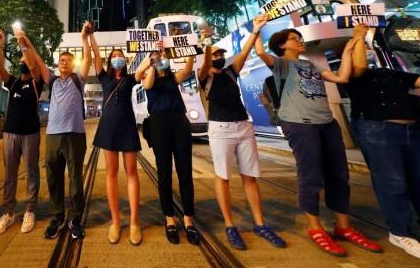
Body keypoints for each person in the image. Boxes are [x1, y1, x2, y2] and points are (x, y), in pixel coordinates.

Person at [254, 18, 381, 256]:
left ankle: (343, 226)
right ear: (282, 46)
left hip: (327, 123)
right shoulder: (281, 65)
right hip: (301, 125)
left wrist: (353, 43)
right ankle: (315, 228)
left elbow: (342, 77)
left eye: (298, 37)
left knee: (339, 175)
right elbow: (260, 51)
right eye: (294, 38)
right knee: (310, 175)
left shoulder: (311, 65)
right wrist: (257, 28)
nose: (299, 40)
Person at [198, 16, 285, 250]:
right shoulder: (204, 75)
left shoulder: (230, 71)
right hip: (220, 129)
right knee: (223, 178)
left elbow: (244, 53)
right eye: (215, 54)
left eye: (220, 54)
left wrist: (255, 31)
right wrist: (207, 44)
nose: (218, 57)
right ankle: (230, 225)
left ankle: (260, 224)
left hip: (243, 127)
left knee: (250, 177)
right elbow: (205, 64)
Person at [348, 23, 420, 259]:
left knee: (417, 181)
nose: (369, 49)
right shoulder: (353, 75)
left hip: (411, 131)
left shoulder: (394, 73)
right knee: (392, 182)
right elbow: (359, 64)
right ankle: (400, 232)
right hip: (378, 131)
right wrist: (358, 35)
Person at [134, 44, 198, 245]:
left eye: (162, 57)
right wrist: (153, 59)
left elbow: (187, 70)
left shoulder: (173, 77)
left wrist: (189, 52)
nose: (160, 58)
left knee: (185, 171)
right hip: (159, 124)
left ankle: (188, 219)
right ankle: (169, 218)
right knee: (164, 173)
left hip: (179, 122)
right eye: (157, 57)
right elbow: (149, 84)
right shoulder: (147, 77)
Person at [37, 22, 91, 241]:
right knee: (53, 177)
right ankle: (57, 216)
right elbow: (39, 63)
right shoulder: (52, 81)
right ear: (58, 64)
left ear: (72, 63)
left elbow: (87, 58)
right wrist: (25, 43)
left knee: (76, 178)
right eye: (61, 60)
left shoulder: (78, 79)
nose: (64, 62)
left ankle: (75, 218)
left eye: (68, 60)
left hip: (75, 135)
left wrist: (84, 38)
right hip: (52, 136)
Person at [0, 28, 45, 236]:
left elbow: (32, 64)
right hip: (10, 133)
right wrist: (0, 45)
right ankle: (9, 212)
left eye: (24, 58)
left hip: (30, 133)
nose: (22, 61)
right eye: (20, 59)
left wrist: (23, 42)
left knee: (32, 171)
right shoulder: (12, 82)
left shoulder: (35, 81)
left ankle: (30, 210)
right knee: (9, 174)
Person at [90, 35, 142, 245]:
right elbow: (95, 54)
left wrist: (155, 51)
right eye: (114, 56)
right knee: (111, 173)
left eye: (121, 56)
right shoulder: (104, 77)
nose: (117, 58)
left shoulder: (130, 79)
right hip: (108, 128)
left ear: (125, 61)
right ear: (110, 61)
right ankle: (115, 221)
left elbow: (144, 67)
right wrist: (91, 35)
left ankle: (135, 222)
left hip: (128, 127)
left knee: (131, 172)